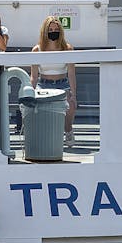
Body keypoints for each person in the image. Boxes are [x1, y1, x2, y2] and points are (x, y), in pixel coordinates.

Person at [30, 16, 78, 147]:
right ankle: (44, 137)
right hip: (43, 84)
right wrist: (30, 93)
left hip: (62, 84)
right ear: (45, 32)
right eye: (50, 29)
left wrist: (74, 95)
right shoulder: (37, 49)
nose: (53, 32)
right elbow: (34, 76)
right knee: (37, 108)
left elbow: (71, 73)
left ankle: (68, 130)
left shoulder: (67, 48)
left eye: (56, 29)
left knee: (70, 106)